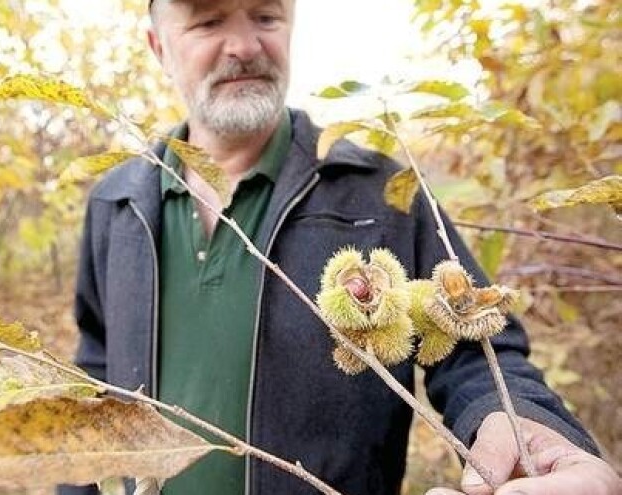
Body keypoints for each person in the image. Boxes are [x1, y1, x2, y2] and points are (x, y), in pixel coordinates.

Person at [63, 0, 622, 494]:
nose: (244, 45)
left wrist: (517, 422)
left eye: (266, 16)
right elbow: (93, 367)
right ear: (159, 47)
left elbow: (476, 353)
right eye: (208, 21)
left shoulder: (382, 194)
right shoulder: (118, 203)